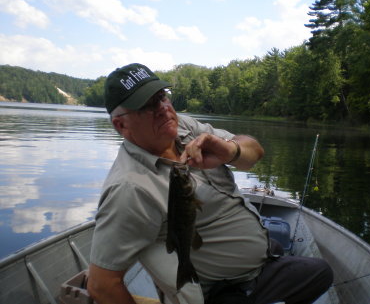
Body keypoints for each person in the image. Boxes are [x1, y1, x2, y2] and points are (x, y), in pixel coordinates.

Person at [87, 63, 333, 304]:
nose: (163, 108)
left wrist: (231, 150)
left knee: (320, 272)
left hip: (260, 259)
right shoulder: (128, 188)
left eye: (162, 96)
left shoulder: (184, 126)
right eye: (147, 105)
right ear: (121, 125)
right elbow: (102, 284)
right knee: (316, 272)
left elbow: (255, 152)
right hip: (221, 290)